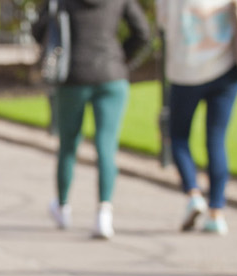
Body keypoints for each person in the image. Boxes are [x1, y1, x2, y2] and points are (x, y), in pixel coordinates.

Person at [33, 0, 151, 239]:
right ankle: (103, 213)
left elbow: (38, 30)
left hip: (73, 74)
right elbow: (143, 33)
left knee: (68, 145)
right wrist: (120, 56)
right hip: (111, 73)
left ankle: (63, 206)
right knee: (106, 147)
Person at [158, 0, 237, 235]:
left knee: (177, 137)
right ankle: (216, 211)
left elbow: (163, 22)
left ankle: (193, 193)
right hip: (223, 69)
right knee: (216, 140)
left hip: (186, 71)